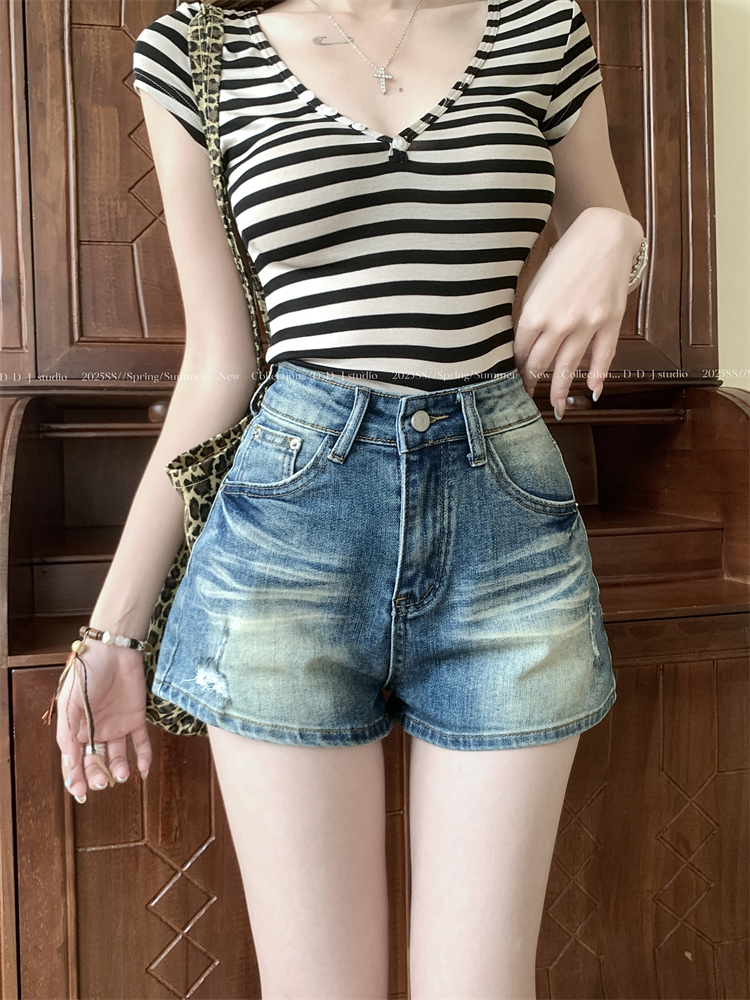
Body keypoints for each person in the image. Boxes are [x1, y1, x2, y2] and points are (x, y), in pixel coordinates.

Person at [55, 1, 646, 997]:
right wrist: (113, 633)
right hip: (287, 526)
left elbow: (614, 247)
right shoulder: (197, 46)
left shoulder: (540, 27)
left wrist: (617, 228)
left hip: (504, 519)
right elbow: (219, 362)